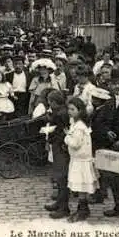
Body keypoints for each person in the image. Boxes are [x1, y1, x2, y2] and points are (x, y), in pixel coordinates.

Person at [64, 97, 99, 222]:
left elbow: (75, 143)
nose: (69, 111)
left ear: (80, 111)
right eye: (68, 109)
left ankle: (83, 209)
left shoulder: (79, 126)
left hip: (81, 161)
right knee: (80, 186)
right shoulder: (76, 123)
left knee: (81, 185)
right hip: (79, 159)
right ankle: (82, 208)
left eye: (73, 109)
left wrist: (67, 136)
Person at [43, 90, 71, 219]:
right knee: (59, 176)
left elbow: (61, 132)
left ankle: (64, 208)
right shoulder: (61, 112)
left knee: (61, 177)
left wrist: (51, 139)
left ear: (54, 102)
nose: (49, 104)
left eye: (50, 102)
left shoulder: (61, 114)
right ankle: (60, 202)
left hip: (60, 147)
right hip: (58, 146)